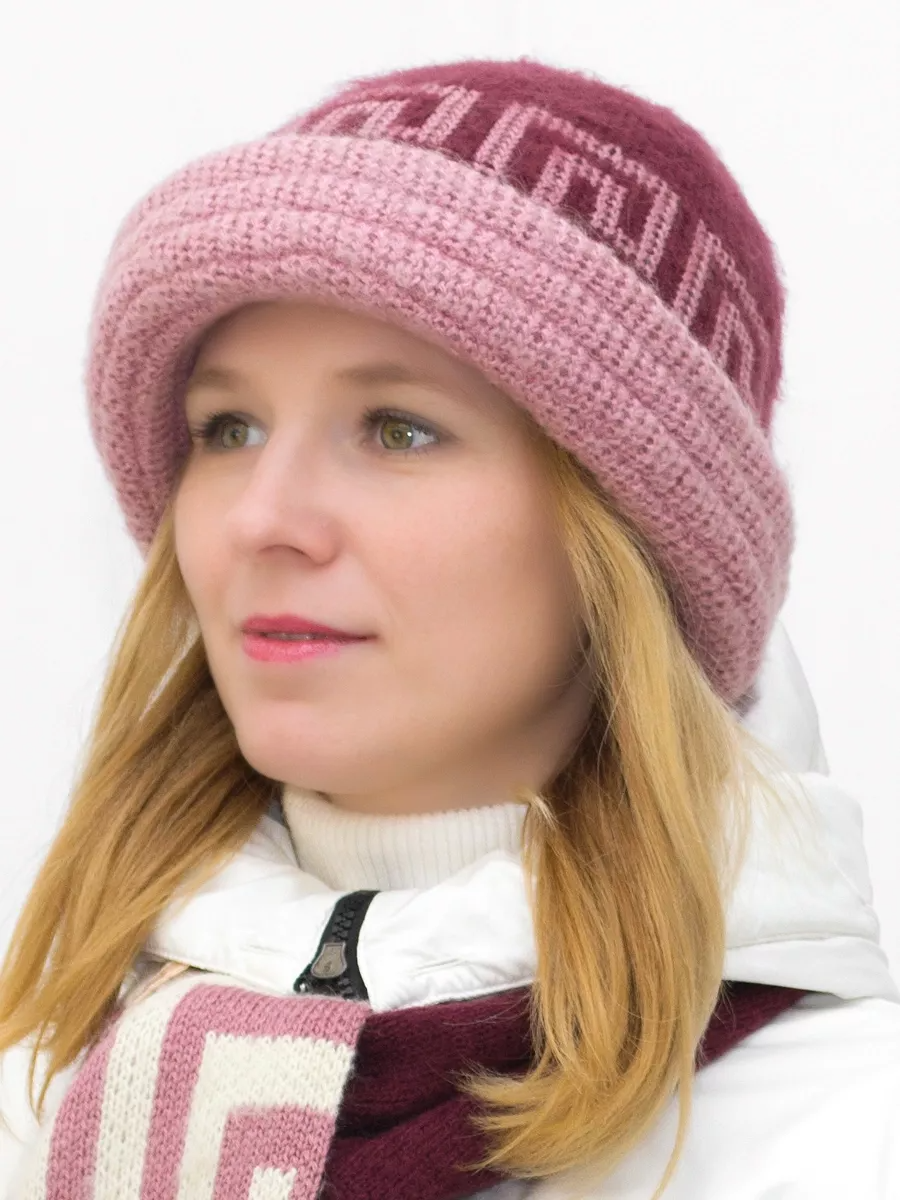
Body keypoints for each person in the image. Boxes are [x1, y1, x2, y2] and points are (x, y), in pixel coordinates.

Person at [0, 55, 898, 1200]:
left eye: (398, 428)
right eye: (228, 427)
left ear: (626, 531)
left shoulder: (848, 1140)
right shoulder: (40, 1096)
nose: (262, 518)